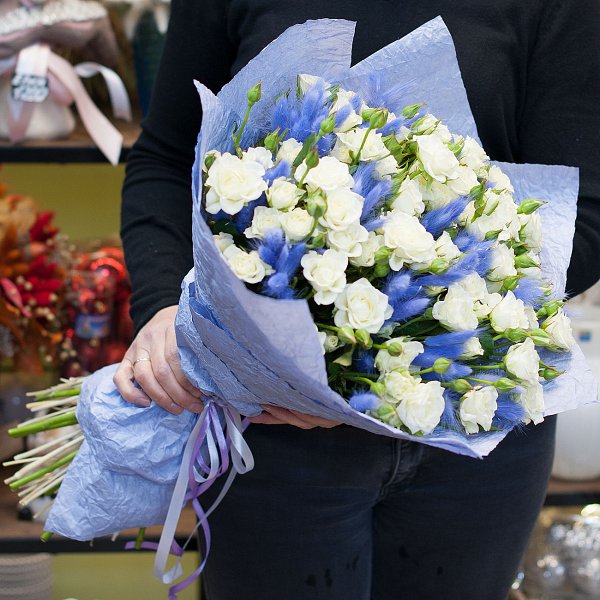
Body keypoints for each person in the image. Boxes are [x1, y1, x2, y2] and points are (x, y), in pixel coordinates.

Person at [114, 2, 600, 599]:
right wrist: (164, 306)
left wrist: (364, 363)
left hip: (473, 422)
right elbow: (166, 160)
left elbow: (585, 211)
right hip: (267, 428)